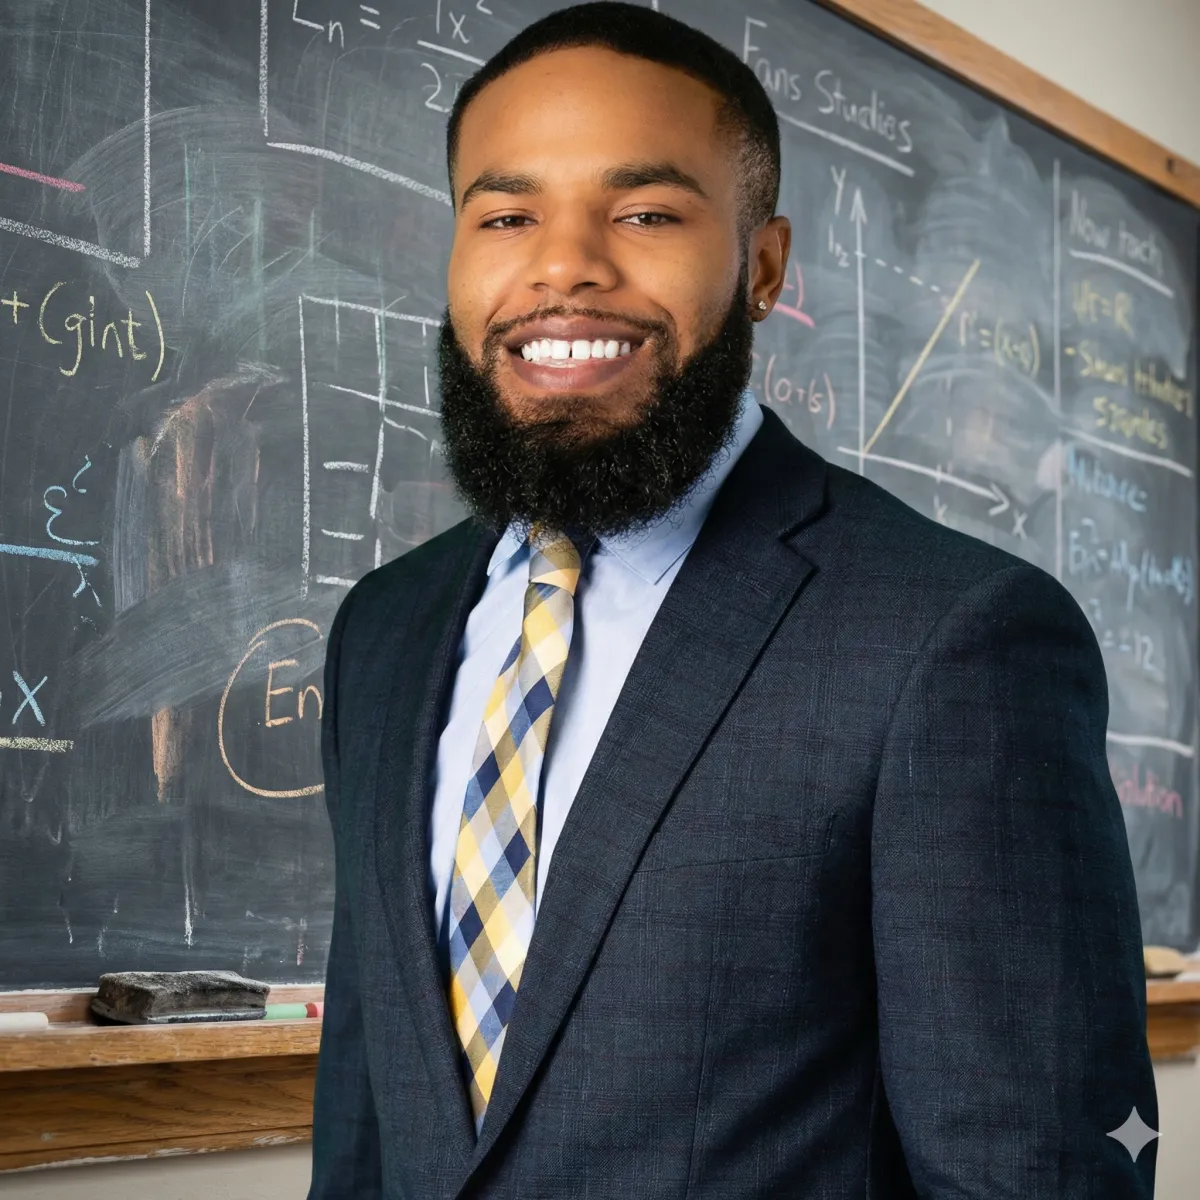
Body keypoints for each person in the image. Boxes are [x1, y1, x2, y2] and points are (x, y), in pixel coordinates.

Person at [309, 4, 1157, 1196]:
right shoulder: (383, 631)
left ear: (762, 266)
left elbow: (1035, 1171)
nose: (564, 265)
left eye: (646, 214)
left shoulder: (954, 637)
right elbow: (364, 1116)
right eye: (505, 217)